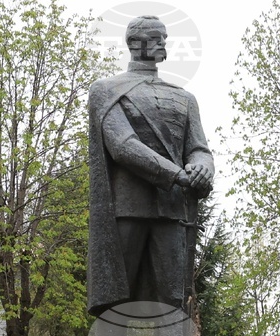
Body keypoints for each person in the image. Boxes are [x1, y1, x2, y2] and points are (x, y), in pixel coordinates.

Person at [86, 14, 214, 318]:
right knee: (116, 296)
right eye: (155, 37)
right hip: (127, 209)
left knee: (174, 298)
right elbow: (123, 146)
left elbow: (198, 148)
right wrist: (177, 175)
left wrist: (202, 167)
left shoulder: (184, 98)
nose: (163, 44)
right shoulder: (105, 89)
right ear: (132, 43)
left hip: (171, 211)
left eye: (164, 38)